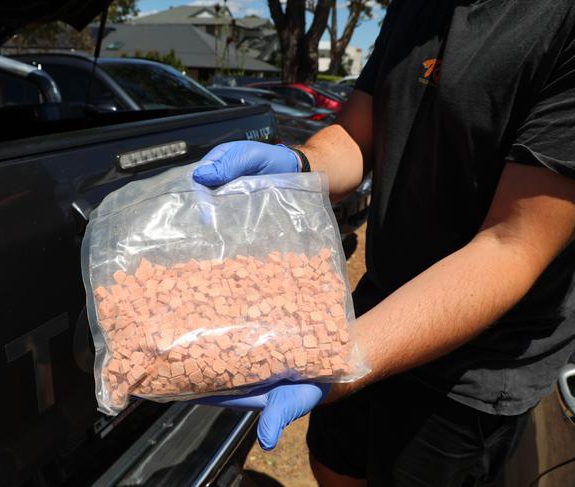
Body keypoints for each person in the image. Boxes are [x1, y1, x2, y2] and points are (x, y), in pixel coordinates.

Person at [192, 1, 575, 485]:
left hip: (474, 368)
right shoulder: (412, 9)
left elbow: (512, 244)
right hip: (375, 304)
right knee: (333, 466)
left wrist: (342, 356)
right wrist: (298, 165)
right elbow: (357, 134)